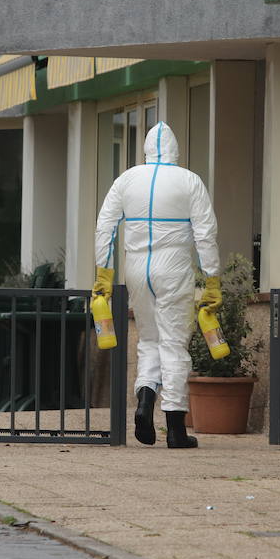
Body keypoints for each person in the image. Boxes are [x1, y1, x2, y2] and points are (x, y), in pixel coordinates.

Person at [92, 122, 221, 448]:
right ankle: (175, 427)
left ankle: (145, 401)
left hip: (137, 269)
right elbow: (206, 234)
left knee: (149, 338)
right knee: (174, 344)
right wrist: (212, 279)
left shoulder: (127, 179)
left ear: (147, 150)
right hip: (174, 267)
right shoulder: (189, 180)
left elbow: (105, 227)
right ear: (176, 150)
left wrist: (104, 275)